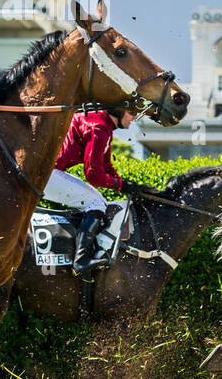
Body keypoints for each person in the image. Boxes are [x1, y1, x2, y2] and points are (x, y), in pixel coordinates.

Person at [45, 105, 151, 274]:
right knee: (96, 202)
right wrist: (121, 185)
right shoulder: (99, 129)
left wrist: (126, 185)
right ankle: (81, 260)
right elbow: (93, 174)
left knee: (97, 200)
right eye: (131, 113)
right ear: (118, 110)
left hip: (49, 171)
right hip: (47, 174)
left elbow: (106, 165)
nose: (134, 118)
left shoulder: (103, 124)